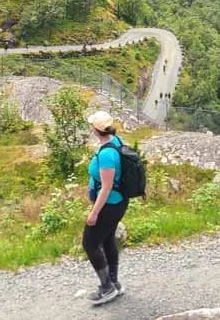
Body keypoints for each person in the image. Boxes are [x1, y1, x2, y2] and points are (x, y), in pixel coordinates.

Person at [84, 109, 128, 305]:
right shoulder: (115, 141)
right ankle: (114, 283)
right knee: (108, 238)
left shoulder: (108, 153)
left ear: (95, 129)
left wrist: (94, 213)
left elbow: (107, 186)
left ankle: (107, 287)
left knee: (90, 243)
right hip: (118, 202)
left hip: (109, 204)